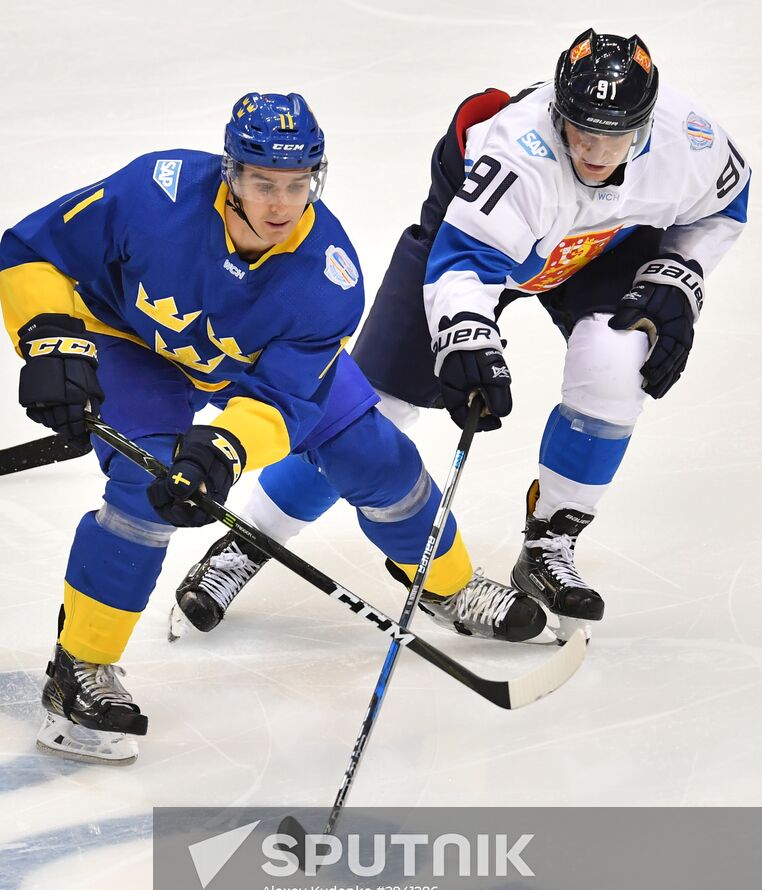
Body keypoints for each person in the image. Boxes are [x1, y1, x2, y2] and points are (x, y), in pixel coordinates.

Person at [0, 93, 543, 765]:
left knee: (377, 460)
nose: (282, 204)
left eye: (298, 184)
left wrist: (225, 450)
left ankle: (448, 586)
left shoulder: (328, 275)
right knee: (145, 490)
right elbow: (31, 247)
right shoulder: (153, 192)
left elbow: (286, 402)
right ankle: (80, 668)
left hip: (252, 364)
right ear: (230, 174)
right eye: (263, 183)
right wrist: (51, 338)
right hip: (129, 341)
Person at [174, 29, 749, 642]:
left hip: (594, 251)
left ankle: (552, 540)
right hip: (470, 246)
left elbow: (726, 203)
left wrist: (679, 271)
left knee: (618, 357)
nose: (596, 152)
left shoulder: (690, 138)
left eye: (617, 135)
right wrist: (468, 340)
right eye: (580, 130)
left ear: (648, 122)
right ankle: (249, 540)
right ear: (557, 109)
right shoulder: (520, 151)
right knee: (367, 417)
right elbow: (463, 265)